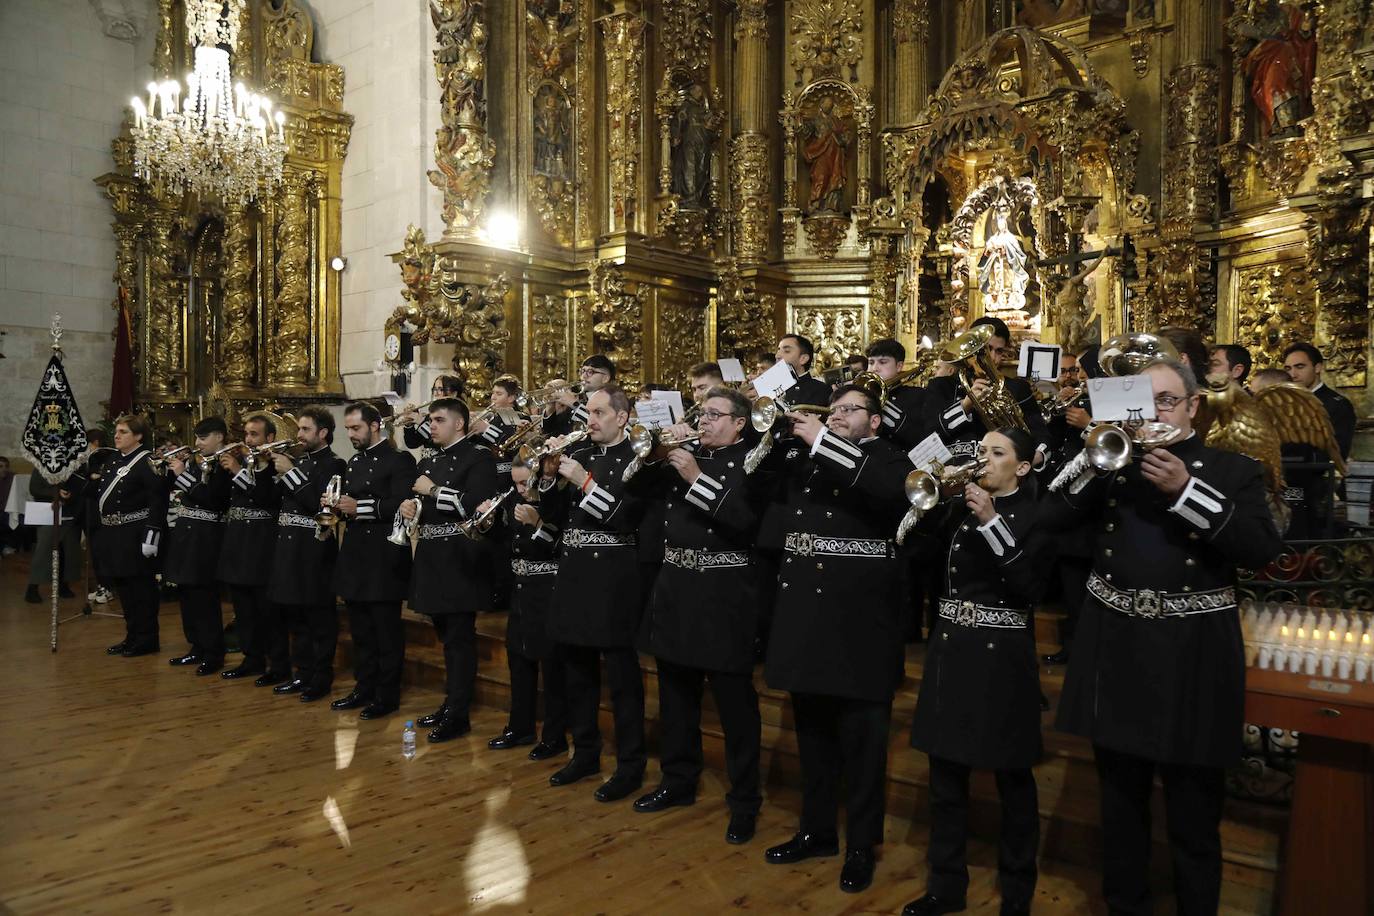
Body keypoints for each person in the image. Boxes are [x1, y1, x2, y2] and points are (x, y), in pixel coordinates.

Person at [1051, 359, 1283, 915]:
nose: (1152, 413)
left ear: (1193, 407)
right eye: (1140, 401)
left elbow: (1260, 550)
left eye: (1165, 401)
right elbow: (1050, 520)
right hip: (1120, 646)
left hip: (1193, 654)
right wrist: (1089, 458)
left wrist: (1186, 490)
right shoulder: (1111, 466)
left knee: (1194, 815)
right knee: (1120, 809)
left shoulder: (1231, 470)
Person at [761, 383, 910, 894]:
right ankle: (817, 830)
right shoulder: (809, 456)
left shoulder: (892, 457)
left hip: (860, 620)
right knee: (814, 735)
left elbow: (888, 494)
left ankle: (862, 845)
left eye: (851, 409)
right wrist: (776, 439)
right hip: (806, 611)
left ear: (875, 421)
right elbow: (760, 488)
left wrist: (825, 439)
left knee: (864, 743)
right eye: (836, 407)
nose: (839, 414)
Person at [904, 428, 1049, 916]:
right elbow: (914, 557)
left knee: (1013, 779)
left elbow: (1030, 586)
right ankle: (945, 886)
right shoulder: (956, 511)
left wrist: (991, 522)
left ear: (1022, 467)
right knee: (945, 777)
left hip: (1002, 657)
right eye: (981, 450)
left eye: (997, 452)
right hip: (950, 650)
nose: (984, 459)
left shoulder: (1036, 514)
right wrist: (929, 508)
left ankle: (1017, 892)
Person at [628, 387, 765, 845]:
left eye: (714, 415)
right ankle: (678, 781)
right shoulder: (683, 453)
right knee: (675, 697)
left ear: (740, 422)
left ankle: (745, 801)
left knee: (734, 707)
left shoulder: (754, 459)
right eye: (701, 414)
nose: (703, 421)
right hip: (675, 590)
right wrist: (659, 451)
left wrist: (695, 476)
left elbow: (745, 521)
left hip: (725, 595)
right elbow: (634, 487)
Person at [545, 385, 648, 802]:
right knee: (577, 672)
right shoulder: (581, 455)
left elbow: (624, 519)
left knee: (623, 679)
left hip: (614, 577)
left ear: (622, 418)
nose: (590, 419)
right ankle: (584, 752)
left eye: (600, 412)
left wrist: (583, 482)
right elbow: (551, 517)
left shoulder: (639, 459)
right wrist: (549, 475)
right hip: (573, 574)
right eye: (588, 411)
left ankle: (630, 765)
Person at [402, 398, 498, 740]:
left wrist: (432, 491)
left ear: (459, 424)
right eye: (430, 419)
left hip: (460, 558)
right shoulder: (435, 459)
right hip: (431, 556)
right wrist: (413, 505)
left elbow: (477, 506)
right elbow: (426, 500)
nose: (432, 425)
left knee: (459, 639)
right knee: (445, 637)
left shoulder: (480, 457)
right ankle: (451, 702)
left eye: (439, 419)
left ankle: (459, 713)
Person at [330, 402, 418, 719]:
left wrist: (360, 508)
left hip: (384, 556)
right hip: (355, 553)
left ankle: (387, 695)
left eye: (356, 428)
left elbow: (402, 502)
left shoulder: (400, 459)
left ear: (375, 425)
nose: (351, 434)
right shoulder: (354, 462)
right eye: (348, 429)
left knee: (386, 632)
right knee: (361, 630)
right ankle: (363, 687)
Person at [489, 456, 569, 759]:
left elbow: (561, 545)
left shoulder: (556, 503)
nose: (520, 489)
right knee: (518, 663)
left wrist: (537, 523)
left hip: (547, 591)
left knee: (551, 668)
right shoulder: (513, 502)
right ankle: (519, 727)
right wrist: (488, 524)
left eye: (525, 482)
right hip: (519, 590)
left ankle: (554, 735)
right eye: (515, 483)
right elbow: (503, 544)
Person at [267, 407, 347, 703]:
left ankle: (321, 677)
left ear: (323, 433)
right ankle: (301, 672)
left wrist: (290, 473)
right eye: (299, 429)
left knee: (319, 617)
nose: (299, 435)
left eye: (305, 430)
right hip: (289, 548)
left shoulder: (334, 465)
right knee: (294, 614)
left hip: (314, 549)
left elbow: (317, 504)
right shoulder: (299, 460)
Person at [921, 316, 1049, 463]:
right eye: (986, 349)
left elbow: (1040, 434)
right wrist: (966, 405)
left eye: (999, 351)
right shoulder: (942, 386)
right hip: (956, 469)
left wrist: (1037, 456)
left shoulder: (1018, 388)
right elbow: (929, 432)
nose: (993, 358)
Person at [217, 415, 286, 684]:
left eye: (254, 434)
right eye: (246, 434)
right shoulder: (246, 461)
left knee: (267, 612)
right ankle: (252, 658)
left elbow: (266, 498)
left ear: (269, 438)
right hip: (238, 544)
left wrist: (237, 472)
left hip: (262, 546)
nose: (248, 440)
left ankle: (278, 665)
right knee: (243, 610)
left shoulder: (276, 463)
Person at [162, 417, 232, 676]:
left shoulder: (226, 464)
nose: (198, 443)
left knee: (204, 597)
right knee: (187, 594)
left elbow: (213, 499)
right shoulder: (197, 461)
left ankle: (214, 652)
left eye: (204, 438)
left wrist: (182, 475)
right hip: (186, 535)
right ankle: (196, 646)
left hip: (207, 537)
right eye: (197, 438)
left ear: (220, 438)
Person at [94, 415, 168, 657]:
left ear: (138, 436)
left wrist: (152, 534)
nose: (116, 435)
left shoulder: (147, 461)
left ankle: (147, 639)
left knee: (141, 590)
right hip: (114, 534)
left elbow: (158, 500)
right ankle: (132, 636)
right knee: (124, 590)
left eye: (124, 432)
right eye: (116, 431)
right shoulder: (115, 459)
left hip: (136, 533)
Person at [24, 458, 84, 604]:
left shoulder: (76, 465)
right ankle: (33, 587)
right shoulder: (42, 465)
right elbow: (35, 488)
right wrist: (56, 492)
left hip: (70, 512)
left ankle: (64, 585)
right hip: (48, 513)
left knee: (69, 552)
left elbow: (81, 485)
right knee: (43, 552)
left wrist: (71, 494)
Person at [1282, 342, 1355, 460]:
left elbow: (1336, 452)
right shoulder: (1283, 402)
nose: (1292, 374)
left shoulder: (1337, 405)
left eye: (1300, 367)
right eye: (1288, 368)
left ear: (1318, 368)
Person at [865, 338, 928, 450]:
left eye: (882, 362)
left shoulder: (917, 396)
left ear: (899, 366)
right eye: (871, 363)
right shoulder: (861, 395)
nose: (874, 368)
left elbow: (918, 437)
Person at [774, 334, 833, 407]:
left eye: (787, 351)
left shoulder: (820, 389)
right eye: (778, 350)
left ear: (803, 359)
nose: (777, 356)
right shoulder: (770, 386)